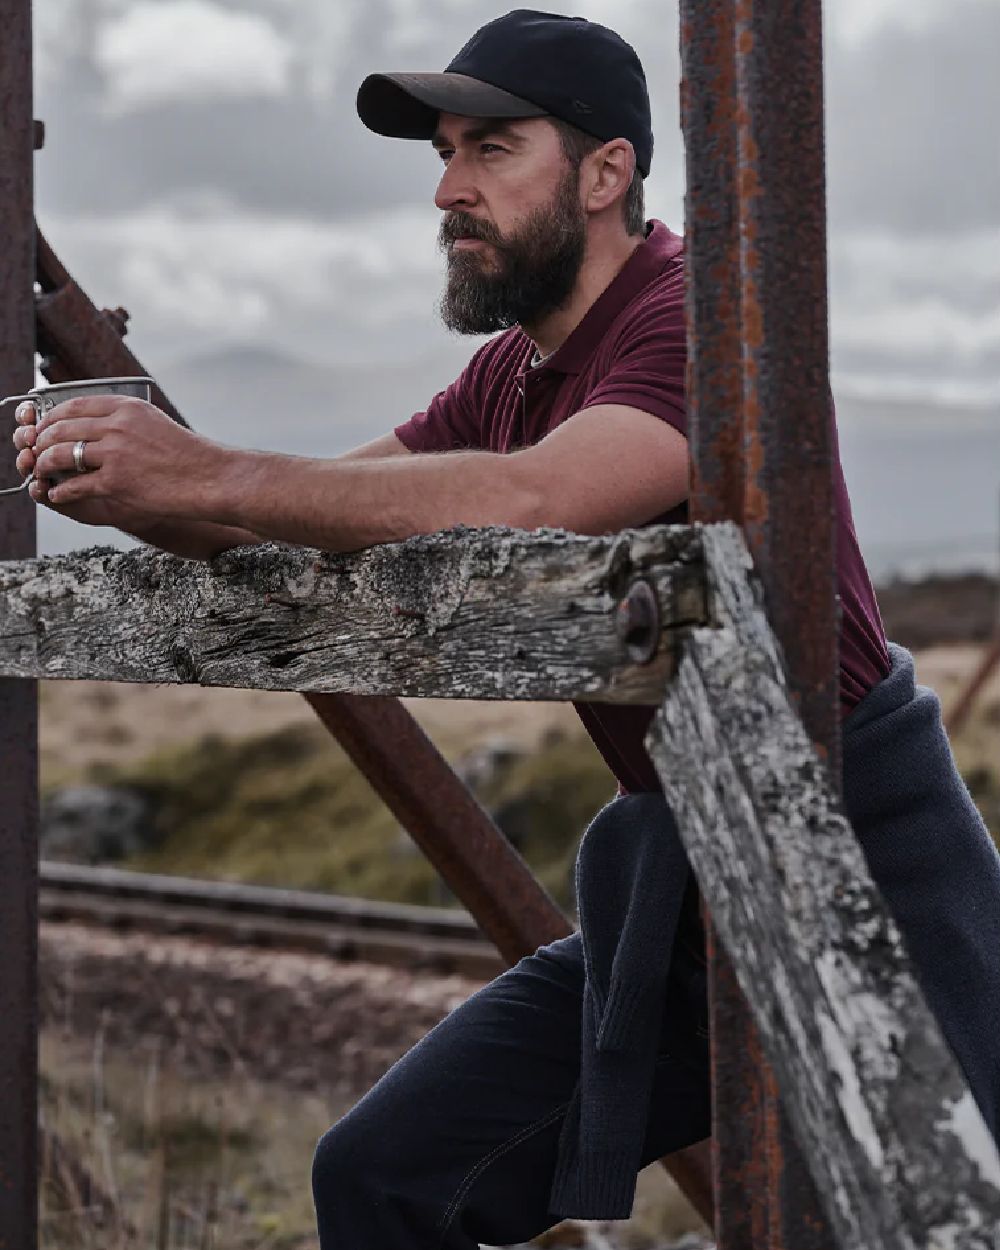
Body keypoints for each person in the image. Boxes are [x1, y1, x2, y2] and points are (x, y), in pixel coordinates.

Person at [14, 10, 1000, 1247]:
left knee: (918, 1216)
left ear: (606, 171)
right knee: (382, 1174)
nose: (447, 189)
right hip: (682, 873)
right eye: (443, 152)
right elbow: (310, 517)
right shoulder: (513, 373)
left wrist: (205, 475)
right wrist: (134, 488)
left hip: (858, 850)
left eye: (491, 148)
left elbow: (542, 498)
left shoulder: (699, 316)